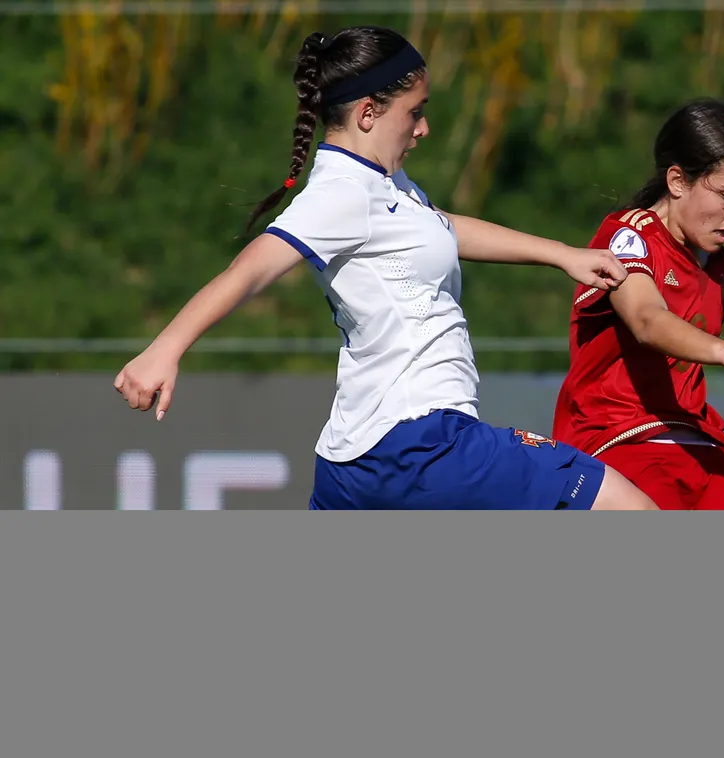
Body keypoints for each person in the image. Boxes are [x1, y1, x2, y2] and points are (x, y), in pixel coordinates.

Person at [112, 26, 658, 511]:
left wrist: (561, 254)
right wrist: (166, 347)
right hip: (422, 444)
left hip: (355, 463)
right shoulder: (343, 193)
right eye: (414, 112)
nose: (423, 129)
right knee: (627, 510)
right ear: (369, 113)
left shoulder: (381, 183)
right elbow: (252, 268)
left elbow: (440, 227)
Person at [551, 98, 724, 510]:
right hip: (619, 439)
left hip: (696, 438)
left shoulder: (721, 268)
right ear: (677, 181)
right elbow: (647, 320)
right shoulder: (627, 236)